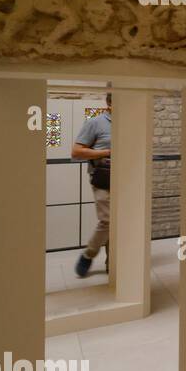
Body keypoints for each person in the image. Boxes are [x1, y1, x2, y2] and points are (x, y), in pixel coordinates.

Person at [70, 93, 112, 279]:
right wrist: (108, 152)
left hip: (128, 180)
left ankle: (113, 263)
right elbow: (76, 151)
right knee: (108, 220)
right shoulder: (95, 122)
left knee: (120, 223)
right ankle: (89, 254)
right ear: (109, 103)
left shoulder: (131, 122)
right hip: (103, 178)